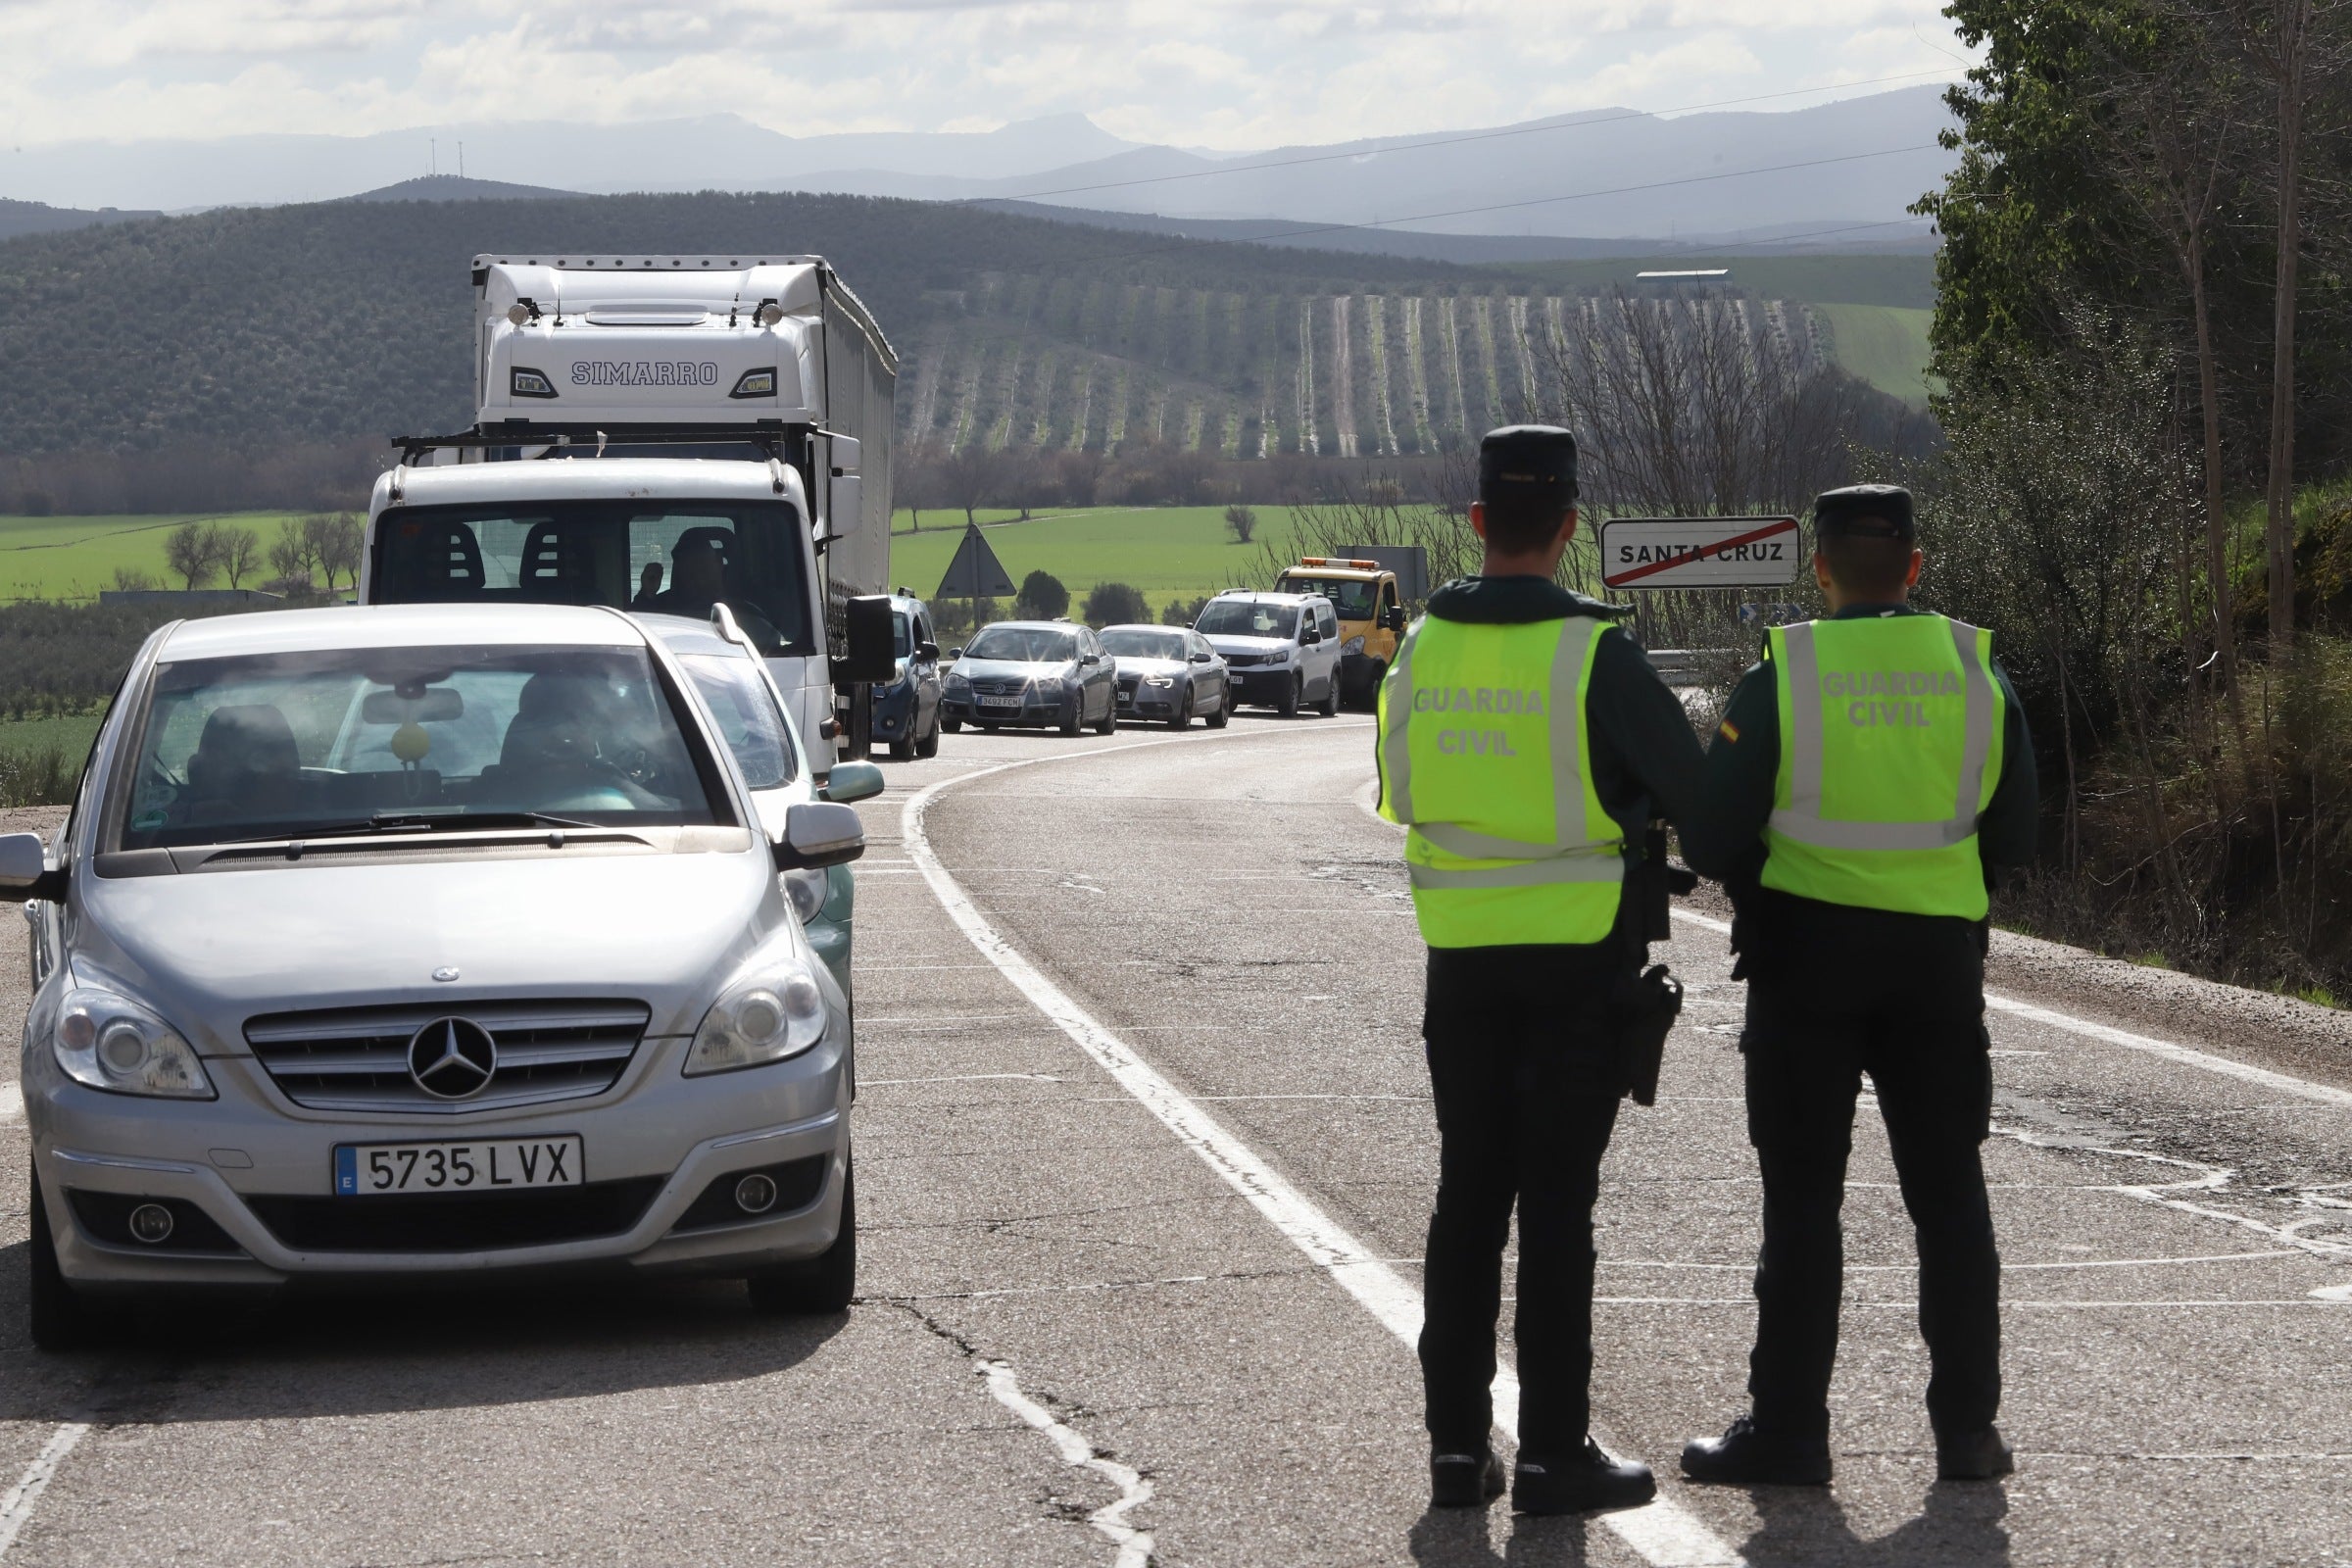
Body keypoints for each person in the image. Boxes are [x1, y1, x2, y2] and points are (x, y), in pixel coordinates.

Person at [1677, 484, 2038, 1487]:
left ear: (1819, 568)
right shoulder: (1975, 669)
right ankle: (1969, 1432)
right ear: (1915, 566)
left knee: (1803, 1202)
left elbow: (1708, 836)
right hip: (1936, 967)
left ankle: (1790, 1433)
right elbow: (2017, 834)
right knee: (1949, 1196)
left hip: (1807, 964)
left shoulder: (1787, 670)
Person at [1377, 424, 1705, 1515]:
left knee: (1469, 1196)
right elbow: (1692, 789)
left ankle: (1457, 1454)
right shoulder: (1594, 653)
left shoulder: (1422, 645)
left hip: (1461, 965)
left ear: (1476, 523)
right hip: (1576, 964)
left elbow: (1400, 790)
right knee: (1559, 1206)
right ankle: (1559, 1453)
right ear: (1568, 527)